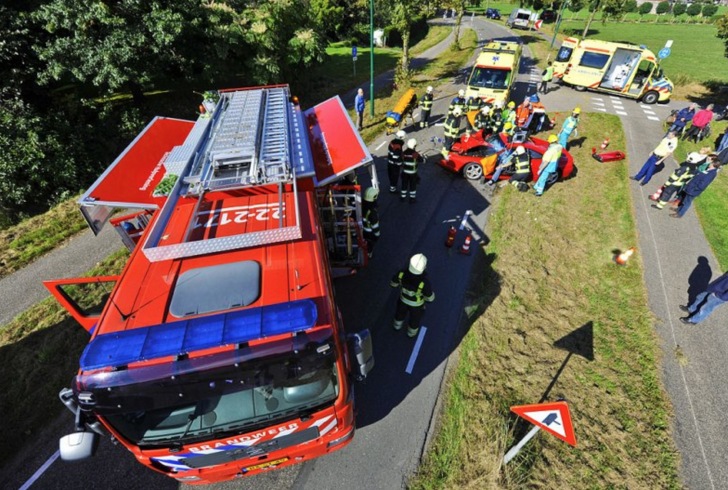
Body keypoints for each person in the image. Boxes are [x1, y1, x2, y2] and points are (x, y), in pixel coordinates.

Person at [390, 253, 435, 338]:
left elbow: (393, 284)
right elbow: (430, 298)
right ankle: (411, 333)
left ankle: (397, 326)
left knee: (399, 313)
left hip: (402, 301)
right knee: (415, 319)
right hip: (416, 306)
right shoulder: (424, 282)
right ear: (423, 268)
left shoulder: (401, 273)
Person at [401, 138, 424, 203]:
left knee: (404, 185)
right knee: (412, 185)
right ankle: (412, 198)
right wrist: (423, 158)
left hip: (405, 172)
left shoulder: (404, 152)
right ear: (414, 146)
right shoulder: (415, 154)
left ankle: (402, 197)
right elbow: (421, 160)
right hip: (413, 174)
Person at [362, 187, 380, 258]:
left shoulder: (361, 205)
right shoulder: (372, 212)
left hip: (362, 229)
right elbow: (375, 225)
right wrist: (377, 235)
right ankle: (368, 254)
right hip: (369, 232)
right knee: (369, 244)